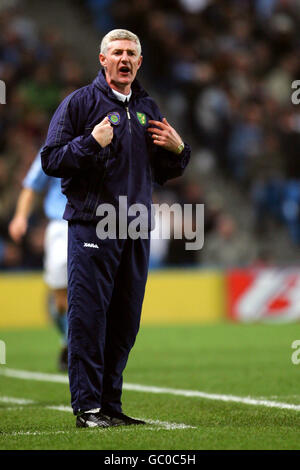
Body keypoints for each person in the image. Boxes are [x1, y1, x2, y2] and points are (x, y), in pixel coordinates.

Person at [41, 29, 191, 428]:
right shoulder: (79, 103)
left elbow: (162, 171)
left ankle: (110, 406)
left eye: (131, 53)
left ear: (139, 62)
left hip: (137, 226)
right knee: (89, 319)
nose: (124, 59)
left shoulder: (147, 106)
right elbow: (51, 159)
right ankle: (87, 410)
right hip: (93, 225)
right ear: (102, 59)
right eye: (117, 52)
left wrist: (180, 151)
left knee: (125, 323)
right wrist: (91, 142)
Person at [9, 151, 69, 371]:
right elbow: (32, 184)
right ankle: (68, 339)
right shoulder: (53, 149)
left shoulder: (104, 139)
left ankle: (83, 346)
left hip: (95, 225)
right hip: (61, 226)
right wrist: (20, 217)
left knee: (93, 290)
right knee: (60, 298)